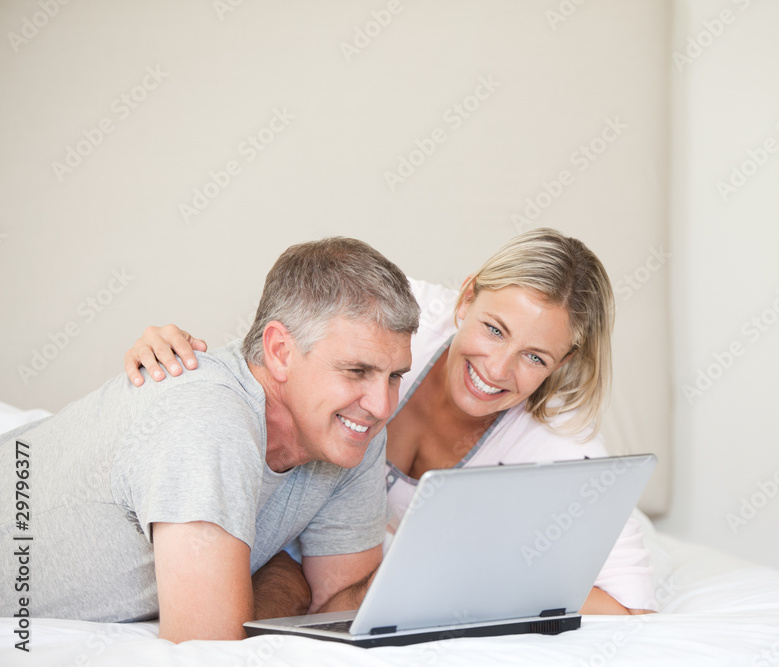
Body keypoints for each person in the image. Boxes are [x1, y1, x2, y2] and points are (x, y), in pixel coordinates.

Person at [128, 228, 656, 615]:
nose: (497, 370)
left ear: (561, 365)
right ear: (466, 298)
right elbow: (273, 367)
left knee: (290, 599)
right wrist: (181, 362)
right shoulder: (396, 317)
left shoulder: (564, 443)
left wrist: (487, 566)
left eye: (535, 358)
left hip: (338, 565)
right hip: (282, 529)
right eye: (494, 329)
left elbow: (633, 611)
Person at [0, 237, 419, 642]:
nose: (383, 406)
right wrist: (284, 579)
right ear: (279, 351)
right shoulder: (208, 415)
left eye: (395, 375)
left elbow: (336, 614)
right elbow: (208, 648)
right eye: (356, 371)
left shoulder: (351, 430)